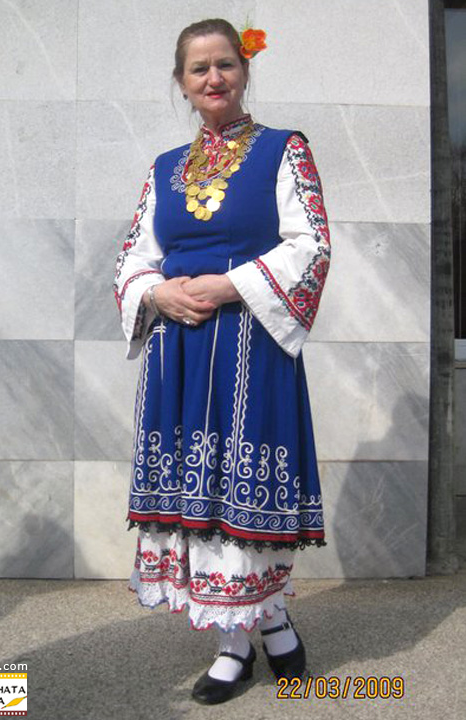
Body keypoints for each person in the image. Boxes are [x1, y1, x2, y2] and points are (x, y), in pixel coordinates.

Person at [113, 18, 331, 704]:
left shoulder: (282, 150)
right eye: (198, 68)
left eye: (223, 65)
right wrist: (156, 290)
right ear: (180, 82)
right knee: (198, 498)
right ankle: (252, 636)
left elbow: (310, 245)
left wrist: (229, 284)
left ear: (243, 70)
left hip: (248, 346)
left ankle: (248, 637)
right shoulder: (161, 168)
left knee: (241, 496)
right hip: (180, 351)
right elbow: (132, 259)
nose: (213, 78)